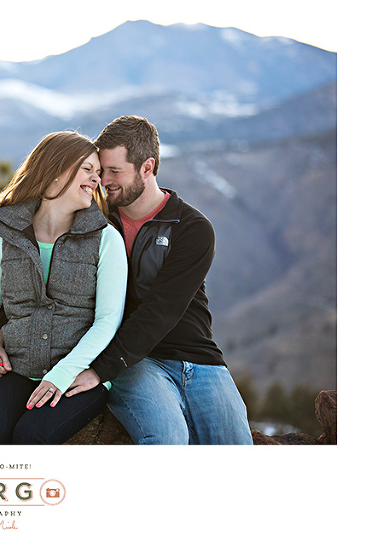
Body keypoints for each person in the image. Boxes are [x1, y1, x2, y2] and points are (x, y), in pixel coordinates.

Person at [61, 115, 253, 444]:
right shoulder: (94, 224)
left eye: (115, 171)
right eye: (100, 170)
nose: (103, 181)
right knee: (167, 439)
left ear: (147, 167)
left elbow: (162, 309)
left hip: (199, 359)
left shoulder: (192, 228)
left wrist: (100, 369)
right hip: (134, 361)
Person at [0, 131, 128, 444]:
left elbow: (108, 319)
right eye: (87, 169)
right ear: (56, 171)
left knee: (32, 437)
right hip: (14, 369)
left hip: (76, 377)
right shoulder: (4, 232)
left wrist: (63, 373)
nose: (96, 178)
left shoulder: (106, 239)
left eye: (98, 172)